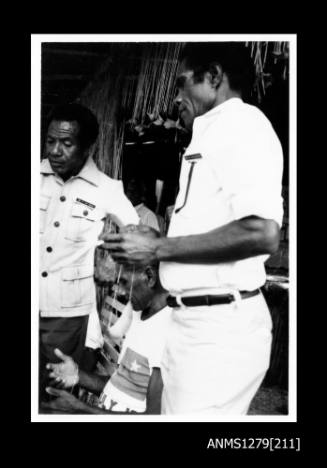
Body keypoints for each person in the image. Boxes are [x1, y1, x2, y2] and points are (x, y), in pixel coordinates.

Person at [99, 43, 284, 415]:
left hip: (218, 331)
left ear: (214, 77)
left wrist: (159, 250)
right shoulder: (211, 134)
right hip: (194, 322)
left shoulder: (242, 124)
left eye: (182, 84)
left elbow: (262, 233)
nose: (175, 99)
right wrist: (159, 242)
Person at [39, 103, 139, 402]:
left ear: (87, 147)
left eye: (67, 143)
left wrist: (115, 255)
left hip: (67, 314)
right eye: (50, 141)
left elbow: (139, 235)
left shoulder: (106, 189)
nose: (56, 150)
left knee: (53, 392)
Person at [42, 261, 171, 414]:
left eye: (124, 282)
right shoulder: (138, 315)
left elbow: (154, 416)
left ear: (149, 277)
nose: (121, 292)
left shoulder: (168, 331)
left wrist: (81, 408)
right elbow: (121, 385)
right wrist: (78, 375)